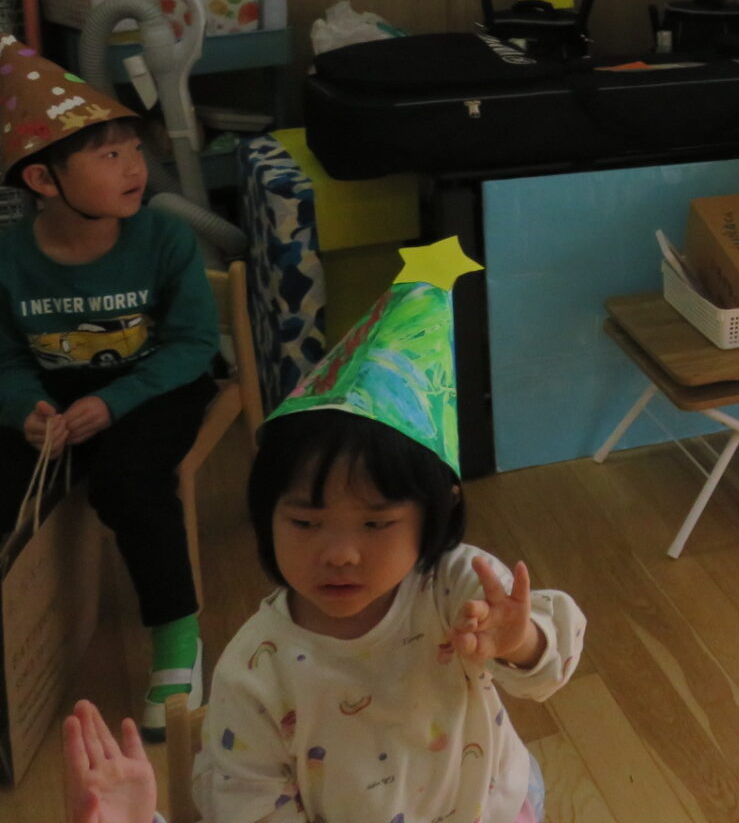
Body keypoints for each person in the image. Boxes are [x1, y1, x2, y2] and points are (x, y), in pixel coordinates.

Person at [64, 240, 585, 823]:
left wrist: (520, 641)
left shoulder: (457, 587)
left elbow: (550, 666)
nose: (339, 554)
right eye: (306, 522)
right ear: (266, 515)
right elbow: (249, 808)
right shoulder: (257, 669)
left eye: (376, 522)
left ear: (437, 510)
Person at [0, 37, 219, 734]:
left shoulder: (164, 238)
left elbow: (193, 345)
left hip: (157, 387)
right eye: (109, 155)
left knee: (130, 479)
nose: (134, 167)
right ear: (44, 180)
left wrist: (113, 401)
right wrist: (25, 409)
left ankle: (177, 641)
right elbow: (3, 361)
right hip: (54, 395)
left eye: (133, 149)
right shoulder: (8, 259)